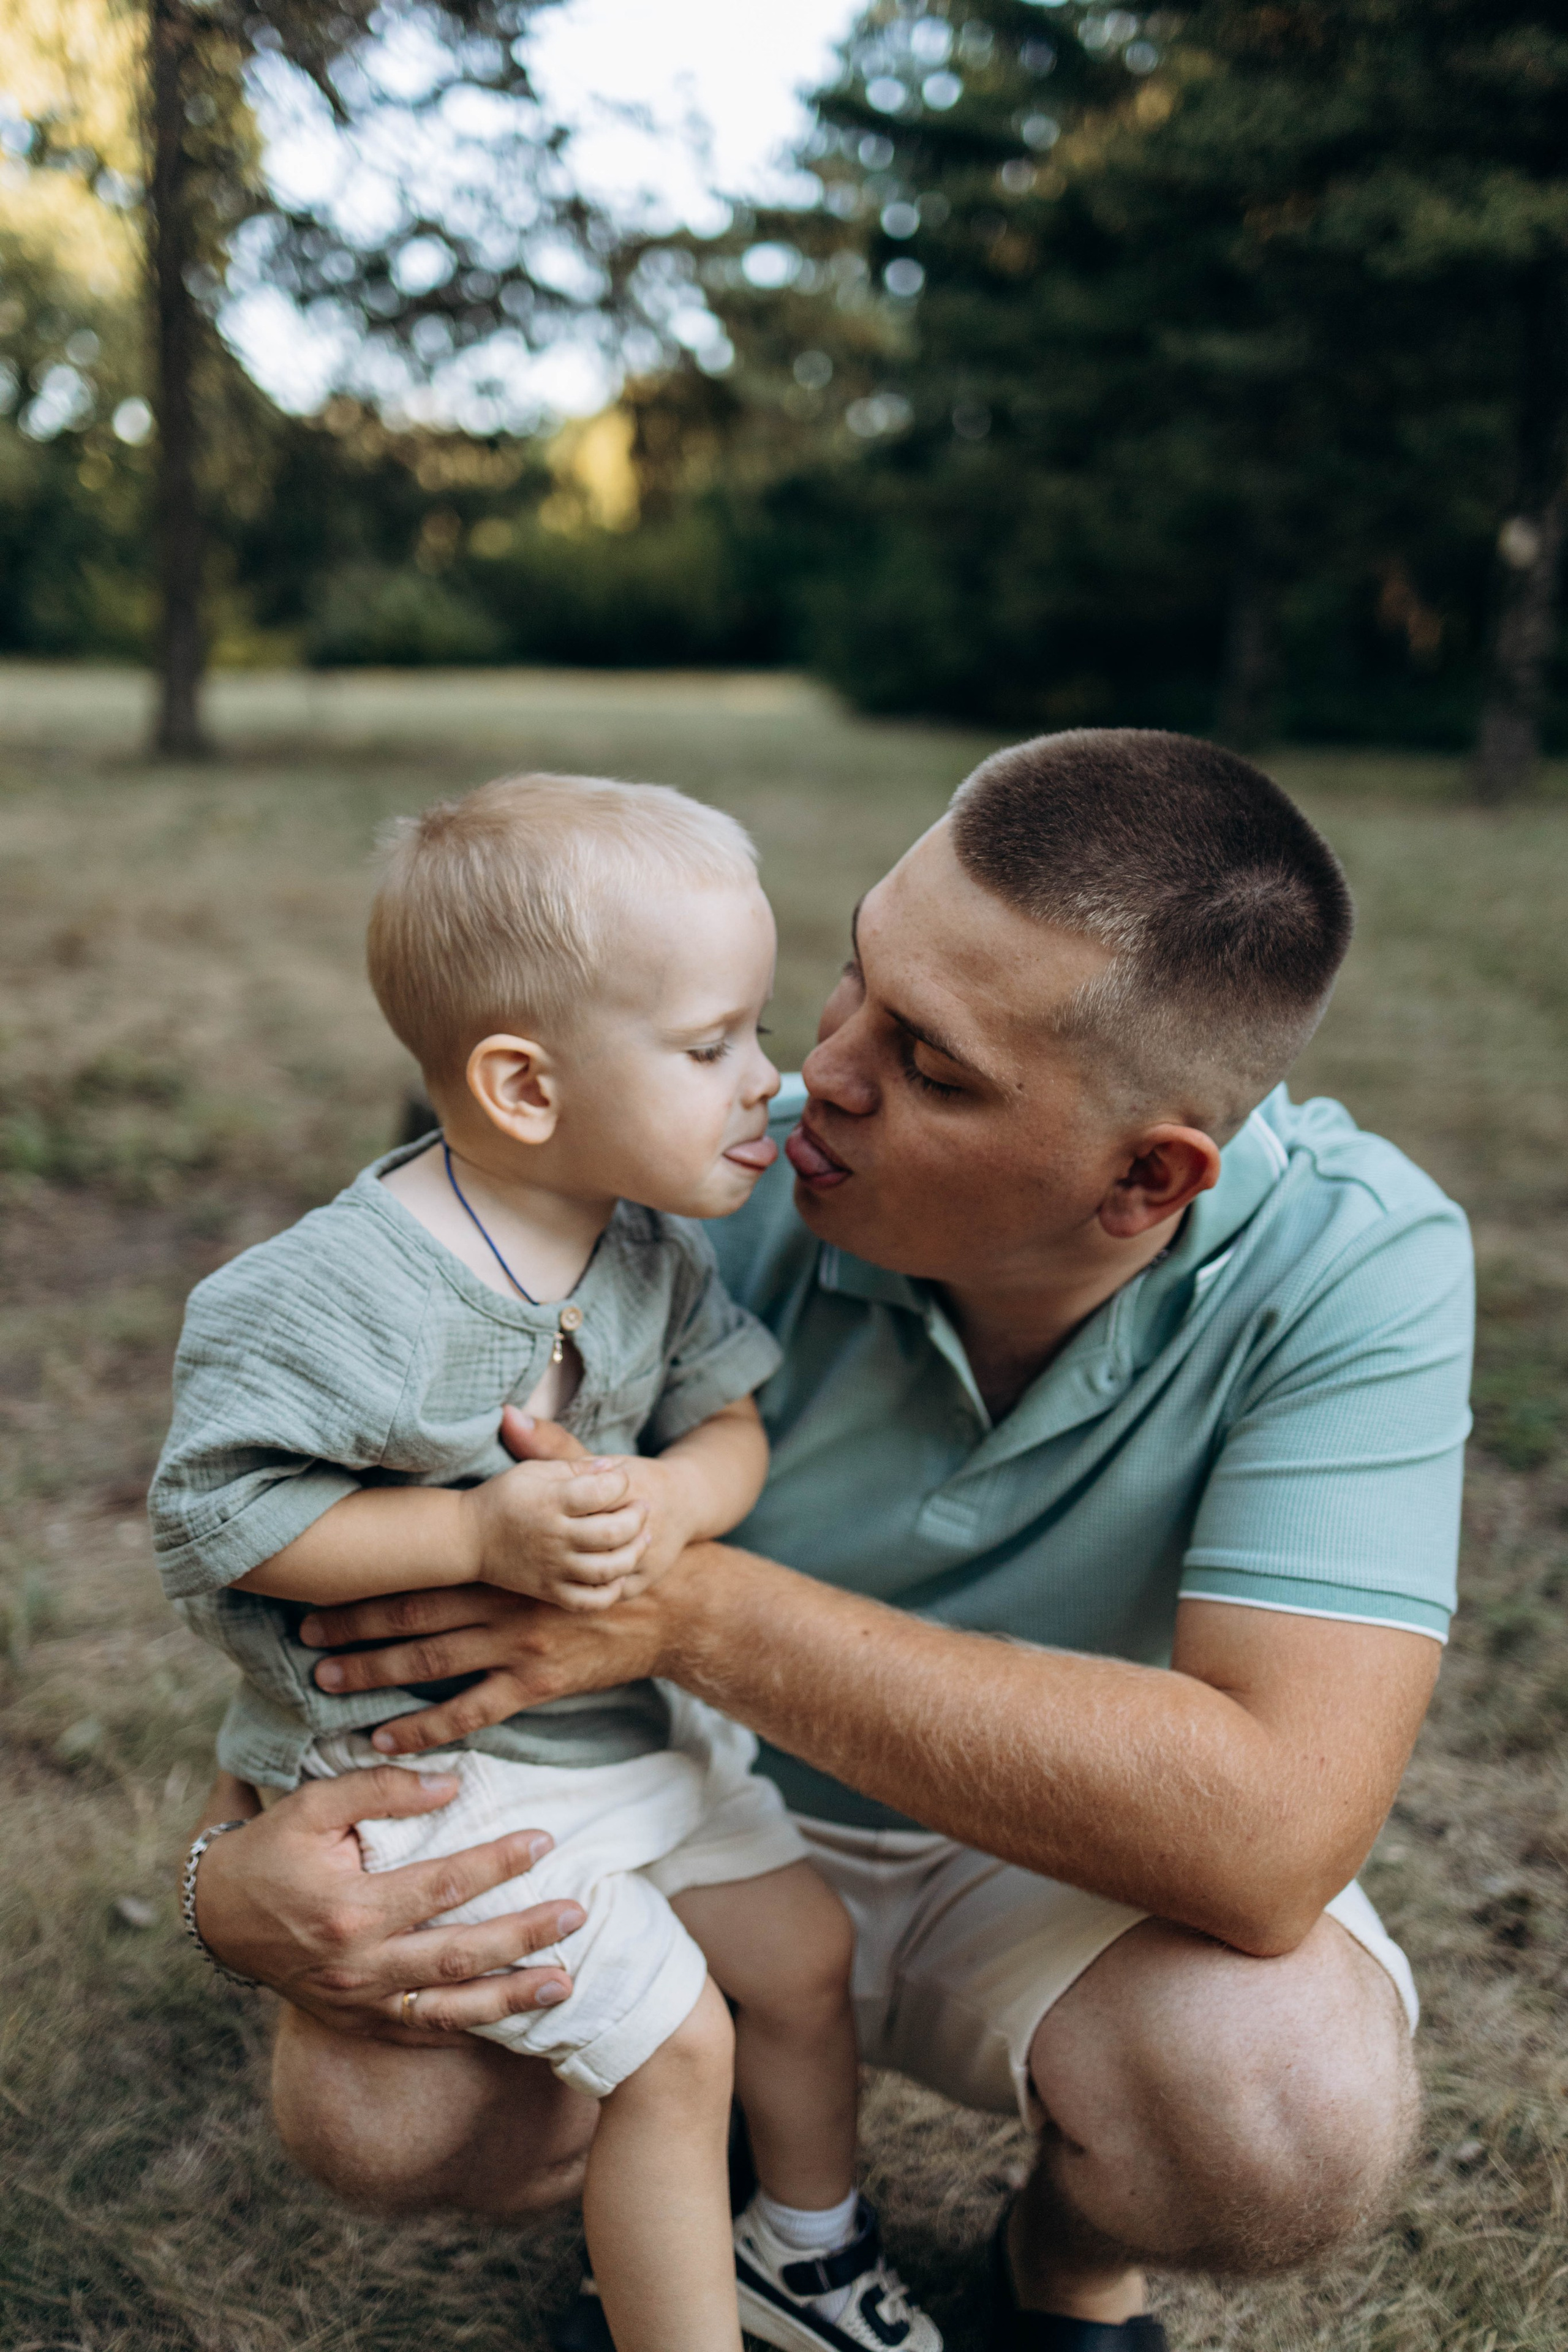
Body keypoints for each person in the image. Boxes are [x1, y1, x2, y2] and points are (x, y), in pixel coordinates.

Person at [184, 730, 1472, 2352]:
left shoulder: (1360, 1264)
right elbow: (347, 1561)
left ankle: (1061, 2274)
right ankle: (702, 2165)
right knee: (385, 2118)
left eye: (932, 1069)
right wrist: (219, 1874)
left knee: (1282, 2125)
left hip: (1050, 1849)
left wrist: (687, 1607)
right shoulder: (672, 1172)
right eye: (854, 977)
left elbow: (1275, 1838)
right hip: (666, 1802)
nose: (823, 1075)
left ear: (1149, 1179)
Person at [152, 773, 941, 2352]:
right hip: (450, 1778)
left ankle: (807, 2245)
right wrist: (471, 1531)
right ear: (524, 1085)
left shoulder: (648, 1245)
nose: (770, 1083)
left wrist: (680, 1500)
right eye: (713, 1046)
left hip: (619, 1730)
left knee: (802, 1954)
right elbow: (216, 1522)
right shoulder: (333, 1297)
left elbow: (736, 1423)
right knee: (681, 2051)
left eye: (755, 1030)